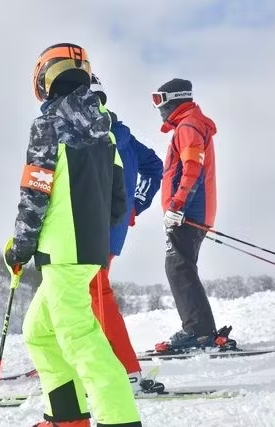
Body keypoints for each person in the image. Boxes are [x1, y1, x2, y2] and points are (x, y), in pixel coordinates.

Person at [5, 43, 141, 427]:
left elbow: (35, 192)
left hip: (61, 252)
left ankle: (121, 421)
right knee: (39, 333)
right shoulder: (106, 132)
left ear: (44, 81)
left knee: (81, 340)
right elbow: (119, 201)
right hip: (85, 251)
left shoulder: (47, 126)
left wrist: (20, 246)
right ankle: (67, 418)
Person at [88, 73, 164, 393]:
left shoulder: (101, 135)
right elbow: (154, 166)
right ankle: (85, 361)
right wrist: (137, 203)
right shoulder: (122, 134)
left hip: (93, 228)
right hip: (105, 227)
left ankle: (125, 370)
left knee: (95, 293)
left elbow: (153, 168)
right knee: (85, 294)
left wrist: (136, 203)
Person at [150, 78, 233, 352]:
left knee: (178, 267)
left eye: (159, 100)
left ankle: (198, 332)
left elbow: (192, 168)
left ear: (174, 98)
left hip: (187, 214)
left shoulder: (187, 126)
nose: (158, 108)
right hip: (192, 212)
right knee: (182, 267)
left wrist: (177, 206)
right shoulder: (191, 124)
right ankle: (201, 330)